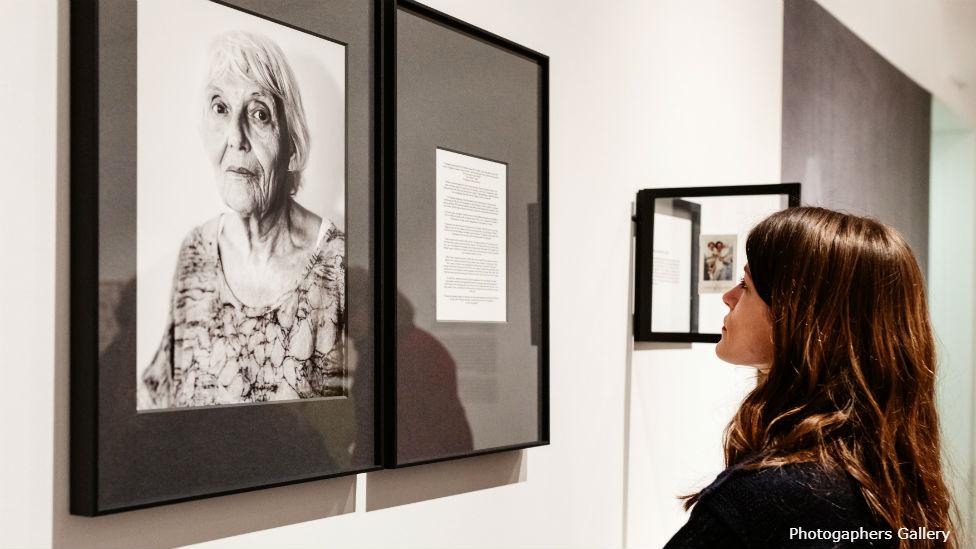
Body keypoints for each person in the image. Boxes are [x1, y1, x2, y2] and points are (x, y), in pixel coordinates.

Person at [664, 207, 955, 548]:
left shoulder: (769, 497)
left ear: (797, 313)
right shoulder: (895, 481)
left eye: (747, 284)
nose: (728, 297)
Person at [139, 30, 345, 409]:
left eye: (259, 113)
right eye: (220, 108)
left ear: (293, 148)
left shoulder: (338, 268)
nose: (236, 137)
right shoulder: (196, 254)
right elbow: (157, 404)